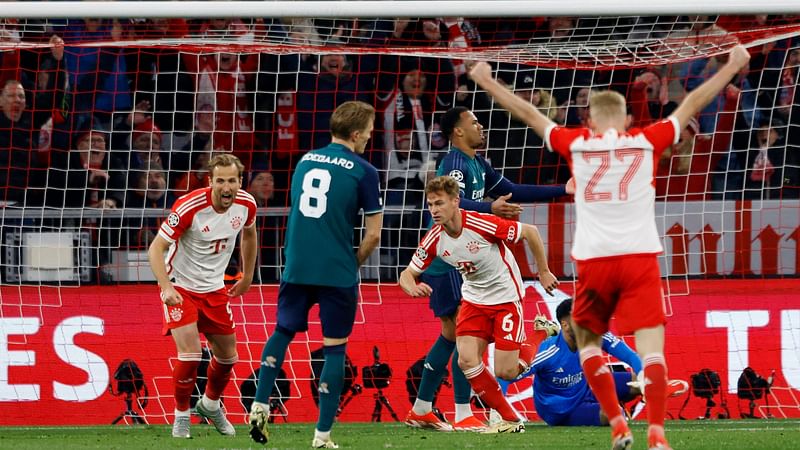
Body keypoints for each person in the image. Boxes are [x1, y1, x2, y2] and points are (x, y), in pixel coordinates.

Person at [469, 45, 751, 450]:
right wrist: (735, 65)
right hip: (639, 258)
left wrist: (485, 79)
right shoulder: (646, 139)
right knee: (652, 348)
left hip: (596, 261)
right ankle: (656, 434)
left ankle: (618, 423)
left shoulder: (578, 143)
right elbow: (692, 103)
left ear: (590, 119)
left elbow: (529, 114)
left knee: (587, 344)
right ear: (628, 118)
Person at [404, 105, 573, 432]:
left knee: (452, 335)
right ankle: (461, 411)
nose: (481, 126)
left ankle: (425, 407)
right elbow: (457, 204)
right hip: (446, 259)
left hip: (462, 261)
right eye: (474, 122)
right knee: (459, 336)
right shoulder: (454, 162)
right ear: (457, 131)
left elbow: (514, 190)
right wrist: (489, 208)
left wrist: (563, 190)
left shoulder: (478, 163)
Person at [248, 100, 383, 449]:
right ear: (355, 133)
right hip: (336, 269)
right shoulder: (364, 171)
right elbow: (373, 235)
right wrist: (352, 262)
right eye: (368, 129)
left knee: (282, 331)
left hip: (297, 263)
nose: (371, 135)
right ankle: (322, 436)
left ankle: (260, 403)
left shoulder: (305, 160)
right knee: (334, 350)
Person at [147, 153, 258, 439]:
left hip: (215, 288)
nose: (226, 187)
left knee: (228, 357)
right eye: (220, 180)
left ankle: (209, 404)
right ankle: (181, 416)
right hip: (180, 286)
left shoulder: (246, 204)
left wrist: (247, 275)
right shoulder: (189, 206)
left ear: (239, 181)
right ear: (211, 182)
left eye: (232, 180)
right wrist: (166, 287)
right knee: (192, 354)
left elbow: (249, 235)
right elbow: (156, 249)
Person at [499, 298, 688, 427]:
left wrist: (644, 378)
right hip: (560, 409)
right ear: (565, 325)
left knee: (634, 380)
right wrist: (501, 413)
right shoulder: (547, 353)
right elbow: (506, 376)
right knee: (613, 416)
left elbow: (631, 357)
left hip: (587, 387)